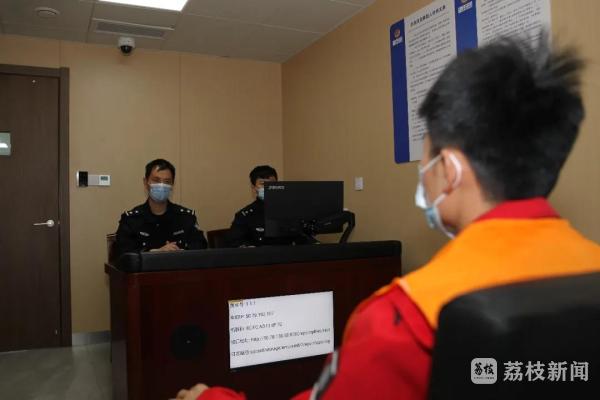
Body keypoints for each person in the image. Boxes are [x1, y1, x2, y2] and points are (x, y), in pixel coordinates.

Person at [172, 36, 600, 400]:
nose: (424, 173)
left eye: (426, 158)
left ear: (449, 170)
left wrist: (210, 397)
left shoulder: (402, 318)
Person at [114, 159, 207, 256]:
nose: (162, 185)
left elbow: (201, 247)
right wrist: (155, 253)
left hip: (179, 265)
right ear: (145, 182)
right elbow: (123, 254)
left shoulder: (186, 217)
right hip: (146, 266)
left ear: (172, 185)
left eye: (167, 182)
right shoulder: (131, 220)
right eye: (156, 180)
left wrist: (180, 253)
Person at [225, 165, 316, 247]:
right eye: (262, 184)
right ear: (254, 187)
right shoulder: (245, 215)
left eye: (271, 183)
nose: (267, 187)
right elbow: (234, 241)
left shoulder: (289, 211)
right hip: (259, 258)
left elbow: (302, 237)